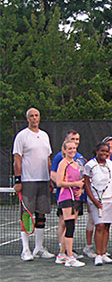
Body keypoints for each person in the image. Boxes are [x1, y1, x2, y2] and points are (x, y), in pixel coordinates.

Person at [12, 108, 54, 261]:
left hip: (43, 181)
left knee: (41, 215)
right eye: (31, 116)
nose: (34, 118)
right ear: (28, 119)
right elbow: (17, 159)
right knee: (26, 216)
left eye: (36, 115)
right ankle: (25, 250)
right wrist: (18, 180)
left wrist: (51, 177)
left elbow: (48, 159)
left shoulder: (44, 136)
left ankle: (39, 248)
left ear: (39, 118)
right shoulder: (22, 136)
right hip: (27, 181)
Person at [50, 129, 88, 259]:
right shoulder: (61, 160)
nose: (74, 145)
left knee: (71, 225)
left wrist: (80, 187)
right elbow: (58, 180)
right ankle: (67, 254)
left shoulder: (78, 159)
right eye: (72, 140)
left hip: (76, 197)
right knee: (65, 224)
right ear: (65, 145)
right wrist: (73, 185)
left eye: (77, 140)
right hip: (65, 197)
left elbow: (81, 178)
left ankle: (63, 253)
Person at [84, 142, 112, 266]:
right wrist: (94, 200)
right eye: (102, 151)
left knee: (106, 227)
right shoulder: (90, 165)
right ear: (96, 151)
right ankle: (98, 255)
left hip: (109, 200)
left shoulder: (111, 164)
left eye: (107, 151)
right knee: (99, 226)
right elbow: (86, 183)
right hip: (96, 201)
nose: (104, 153)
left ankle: (104, 253)